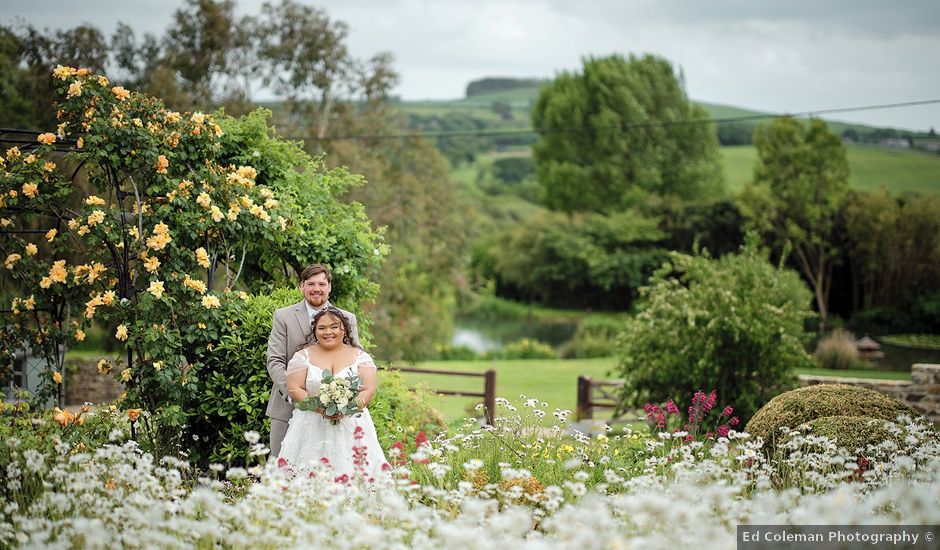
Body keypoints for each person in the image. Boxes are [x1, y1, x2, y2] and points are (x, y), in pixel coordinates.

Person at [276, 307, 389, 478]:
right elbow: (294, 388)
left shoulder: (361, 357)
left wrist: (347, 408)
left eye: (334, 327)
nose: (328, 332)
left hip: (352, 425)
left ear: (344, 329)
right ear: (315, 331)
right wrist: (320, 408)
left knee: (357, 474)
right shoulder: (302, 357)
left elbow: (368, 389)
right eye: (321, 328)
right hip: (311, 424)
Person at [266, 264, 359, 457]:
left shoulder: (347, 319)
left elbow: (355, 361)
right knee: (282, 468)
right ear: (302, 286)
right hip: (287, 406)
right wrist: (293, 392)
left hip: (335, 412)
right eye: (311, 284)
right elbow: (275, 360)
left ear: (329, 287)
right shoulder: (283, 316)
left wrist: (342, 398)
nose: (316, 288)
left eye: (321, 284)